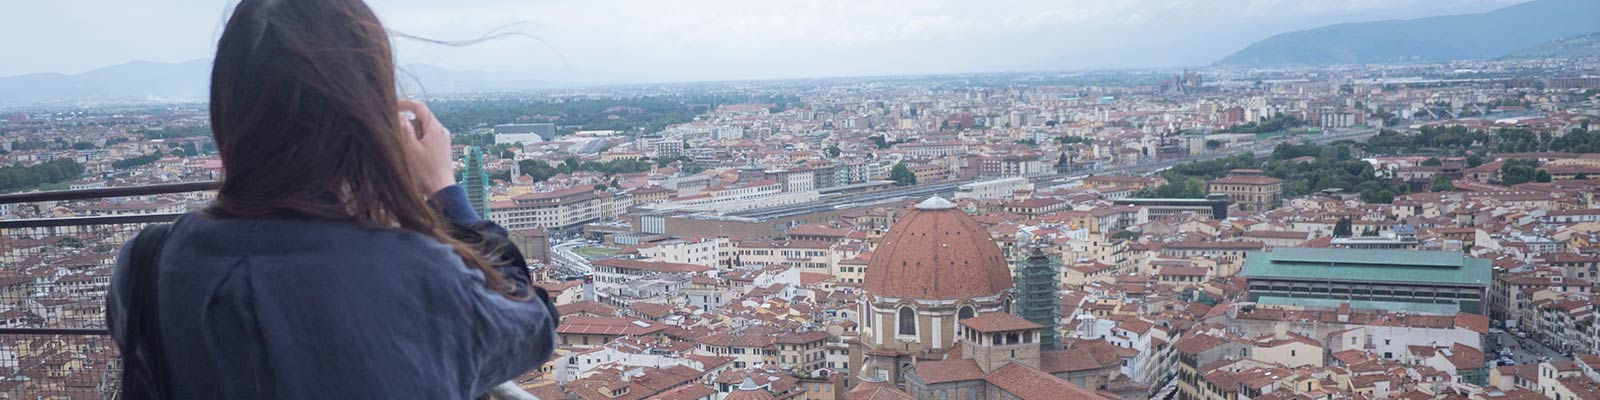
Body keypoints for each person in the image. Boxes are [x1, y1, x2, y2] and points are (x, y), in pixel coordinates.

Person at [105, 0, 558, 398]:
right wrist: (443, 186)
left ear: (226, 108)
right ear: (368, 116)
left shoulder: (144, 266)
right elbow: (533, 323)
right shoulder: (419, 274)